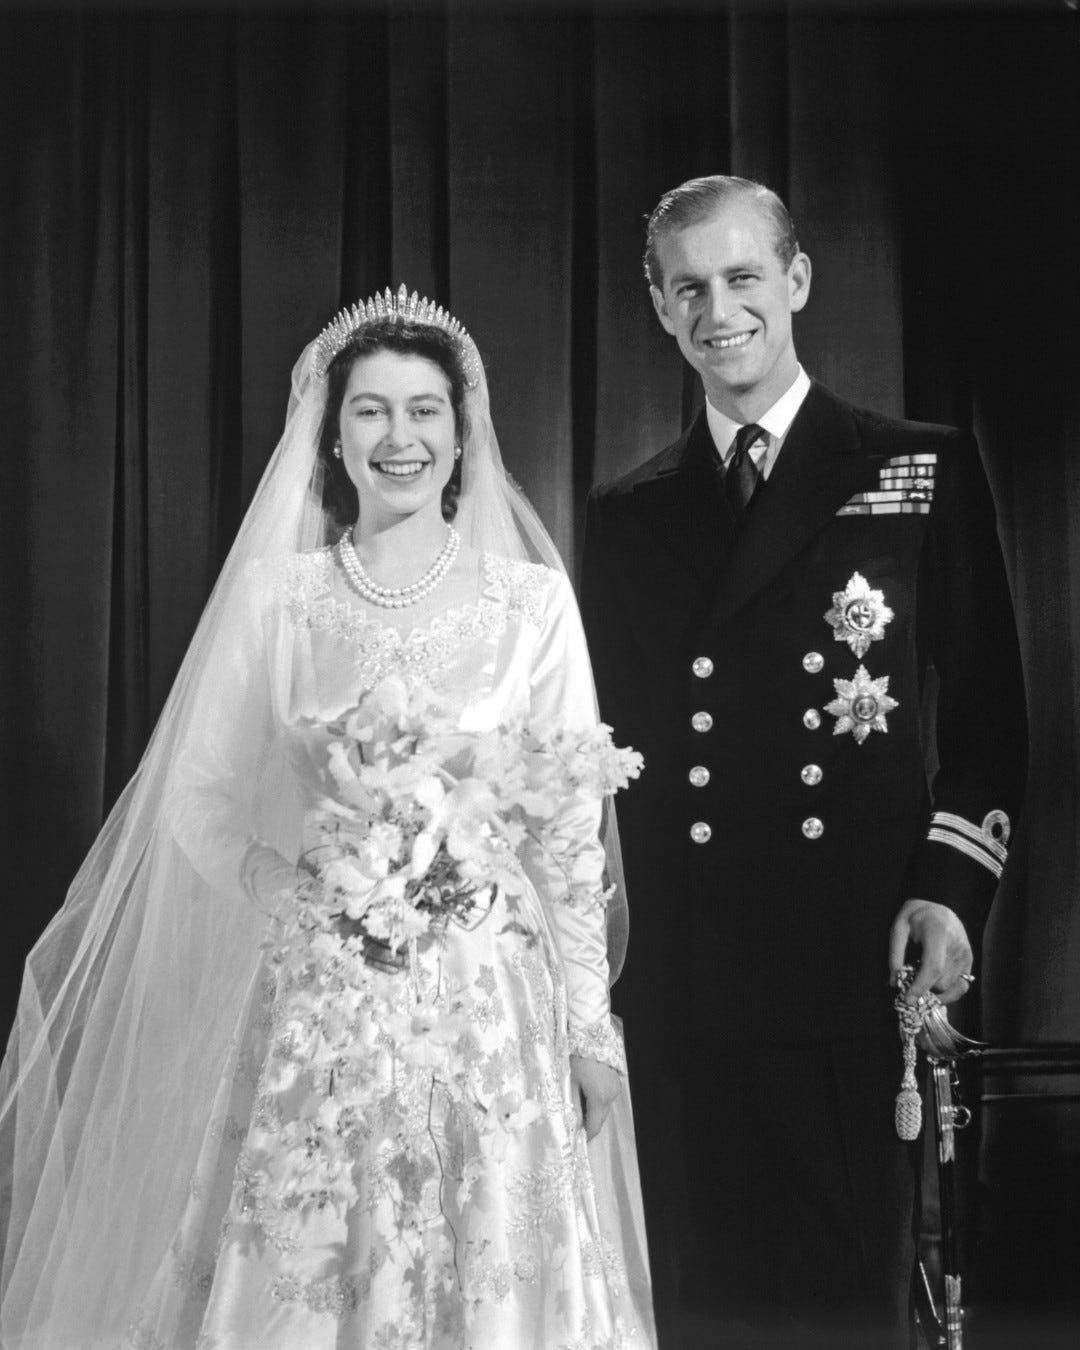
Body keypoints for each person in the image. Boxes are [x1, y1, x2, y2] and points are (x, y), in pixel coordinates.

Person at [0, 287, 655, 1349]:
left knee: (488, 1269)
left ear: (462, 429)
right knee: (314, 1268)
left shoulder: (529, 602)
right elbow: (196, 796)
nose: (401, 437)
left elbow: (569, 829)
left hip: (487, 998)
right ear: (332, 434)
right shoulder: (279, 600)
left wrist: (588, 1029)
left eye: (424, 410)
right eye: (372, 411)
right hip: (326, 999)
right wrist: (293, 889)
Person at [580, 176, 1027, 1348]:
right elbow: (605, 757)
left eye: (740, 279)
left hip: (847, 951)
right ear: (659, 309)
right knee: (704, 1302)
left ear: (797, 282)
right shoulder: (629, 516)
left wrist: (950, 886)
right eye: (689, 289)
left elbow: (985, 719)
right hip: (683, 975)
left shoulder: (915, 469)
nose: (718, 310)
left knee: (841, 1304)